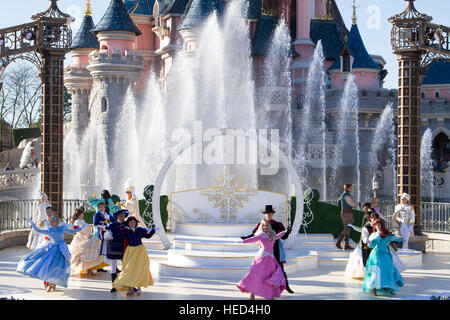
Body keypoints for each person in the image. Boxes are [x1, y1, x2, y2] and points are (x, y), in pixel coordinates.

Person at [17, 216, 85, 292]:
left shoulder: (62, 228)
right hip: (52, 249)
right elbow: (38, 230)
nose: (51, 223)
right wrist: (32, 223)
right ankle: (49, 284)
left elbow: (72, 232)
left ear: (57, 222)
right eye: (50, 221)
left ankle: (54, 284)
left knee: (57, 267)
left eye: (53, 221)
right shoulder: (49, 230)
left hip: (61, 249)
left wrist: (81, 227)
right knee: (49, 267)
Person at [241, 205, 294, 294]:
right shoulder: (262, 224)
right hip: (265, 251)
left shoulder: (278, 224)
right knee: (262, 271)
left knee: (280, 269)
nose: (268, 215)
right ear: (265, 214)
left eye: (270, 213)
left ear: (272, 214)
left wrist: (287, 233)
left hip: (276, 250)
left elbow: (283, 237)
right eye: (267, 214)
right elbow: (255, 235)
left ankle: (286, 286)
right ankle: (263, 289)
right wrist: (246, 238)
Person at [237, 218, 287, 300]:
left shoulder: (272, 234)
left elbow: (277, 236)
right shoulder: (261, 235)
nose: (264, 227)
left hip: (271, 258)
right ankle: (252, 294)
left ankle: (270, 295)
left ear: (268, 226)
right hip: (262, 258)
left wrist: (285, 232)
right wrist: (242, 241)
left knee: (270, 277)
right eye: (263, 226)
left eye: (266, 225)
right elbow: (252, 239)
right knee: (256, 276)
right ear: (261, 226)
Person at [112, 216, 158, 296]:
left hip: (140, 251)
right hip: (130, 251)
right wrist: (112, 227)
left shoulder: (140, 230)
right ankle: (130, 288)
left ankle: (139, 287)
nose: (132, 224)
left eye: (134, 222)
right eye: (130, 222)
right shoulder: (125, 231)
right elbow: (117, 236)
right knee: (129, 269)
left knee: (139, 268)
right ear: (128, 223)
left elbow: (148, 236)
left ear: (136, 223)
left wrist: (154, 230)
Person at [362, 219, 404, 296]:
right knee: (376, 271)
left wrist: (400, 238)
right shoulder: (374, 235)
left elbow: (394, 238)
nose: (378, 226)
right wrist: (369, 242)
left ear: (382, 225)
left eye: (379, 224)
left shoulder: (387, 234)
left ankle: (388, 288)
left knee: (389, 270)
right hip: (377, 254)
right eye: (376, 225)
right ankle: (374, 289)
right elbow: (371, 245)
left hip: (385, 254)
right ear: (375, 226)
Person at [69, 207, 107, 276]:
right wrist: (87, 233)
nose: (83, 214)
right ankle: (88, 270)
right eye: (82, 213)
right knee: (87, 254)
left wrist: (93, 225)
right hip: (82, 238)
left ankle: (90, 270)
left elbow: (86, 226)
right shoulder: (77, 221)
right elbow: (81, 229)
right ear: (79, 214)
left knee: (92, 253)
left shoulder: (81, 220)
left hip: (87, 237)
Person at [345, 212, 380, 280]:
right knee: (364, 261)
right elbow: (364, 237)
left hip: (378, 248)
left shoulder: (380, 226)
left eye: (376, 218)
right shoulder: (366, 227)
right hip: (366, 247)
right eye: (373, 218)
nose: (375, 219)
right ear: (370, 219)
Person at [105, 209, 129, 293]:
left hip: (124, 247)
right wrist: (108, 232)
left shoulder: (127, 225)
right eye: (120, 216)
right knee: (113, 266)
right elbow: (107, 236)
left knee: (126, 266)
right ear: (117, 217)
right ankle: (114, 286)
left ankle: (129, 285)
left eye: (123, 216)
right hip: (114, 246)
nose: (122, 217)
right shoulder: (112, 225)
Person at [93, 201, 116, 273]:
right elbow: (95, 223)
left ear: (104, 207)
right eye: (99, 207)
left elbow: (114, 220)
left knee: (110, 249)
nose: (101, 208)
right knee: (102, 249)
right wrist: (104, 225)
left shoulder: (107, 214)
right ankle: (99, 266)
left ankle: (114, 266)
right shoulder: (96, 215)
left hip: (108, 232)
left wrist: (111, 225)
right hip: (101, 233)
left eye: (102, 207)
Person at [336, 184, 361, 250]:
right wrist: (358, 203)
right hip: (347, 213)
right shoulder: (345, 195)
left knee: (348, 228)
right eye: (350, 188)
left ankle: (346, 244)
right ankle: (338, 242)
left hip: (347, 212)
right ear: (346, 188)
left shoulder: (346, 194)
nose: (351, 189)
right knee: (348, 227)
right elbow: (351, 203)